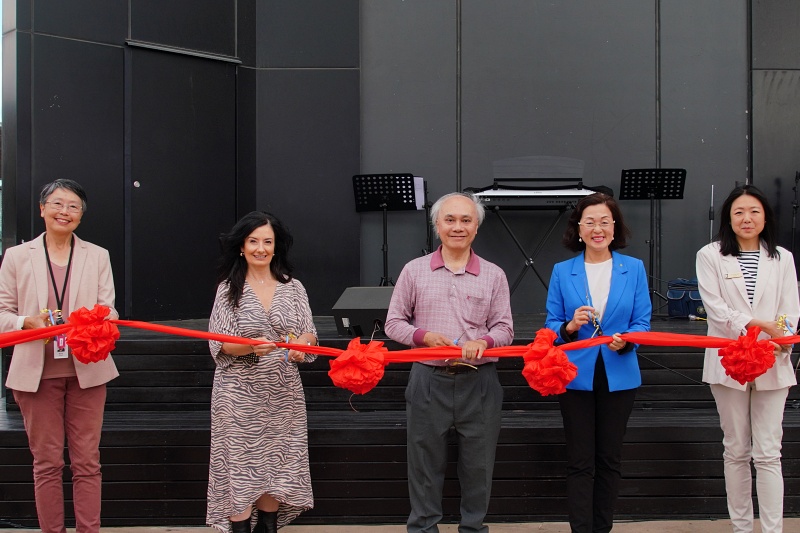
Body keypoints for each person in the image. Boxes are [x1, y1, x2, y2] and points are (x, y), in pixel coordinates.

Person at [385, 192, 514, 533]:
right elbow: (393, 323)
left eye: (466, 220)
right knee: (424, 466)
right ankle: (423, 528)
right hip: (428, 380)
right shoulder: (414, 271)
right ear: (437, 225)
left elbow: (505, 328)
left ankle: (473, 528)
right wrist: (423, 336)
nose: (458, 227)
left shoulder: (494, 275)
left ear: (476, 227)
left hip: (480, 382)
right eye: (450, 220)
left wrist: (484, 342)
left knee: (478, 467)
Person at [0, 179, 118, 533]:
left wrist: (94, 321)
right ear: (42, 209)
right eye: (57, 204)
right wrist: (27, 322)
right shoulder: (17, 257)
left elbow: (110, 311)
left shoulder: (97, 255)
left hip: (88, 372)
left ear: (81, 215)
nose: (64, 212)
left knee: (87, 462)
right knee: (47, 463)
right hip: (35, 376)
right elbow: (2, 314)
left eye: (73, 206)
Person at [544, 192, 651, 533]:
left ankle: (602, 528)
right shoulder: (563, 271)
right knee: (580, 460)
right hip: (575, 375)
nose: (597, 229)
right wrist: (569, 327)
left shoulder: (634, 268)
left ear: (615, 227)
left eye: (605, 221)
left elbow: (642, 322)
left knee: (609, 459)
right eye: (589, 222)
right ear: (578, 229)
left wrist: (627, 341)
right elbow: (551, 325)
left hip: (619, 373)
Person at [696, 185, 798, 533]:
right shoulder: (710, 255)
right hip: (728, 363)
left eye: (754, 211)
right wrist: (759, 325)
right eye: (738, 212)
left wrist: (779, 340)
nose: (747, 218)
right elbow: (716, 309)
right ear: (728, 218)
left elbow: (789, 311)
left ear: (765, 217)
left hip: (773, 360)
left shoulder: (782, 258)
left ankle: (772, 529)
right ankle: (741, 528)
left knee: (769, 453)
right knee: (736, 450)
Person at [206, 211, 317, 533]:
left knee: (277, 463)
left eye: (267, 242)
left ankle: (268, 526)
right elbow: (220, 344)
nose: (260, 248)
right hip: (238, 395)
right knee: (240, 465)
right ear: (241, 247)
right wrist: (251, 347)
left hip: (283, 393)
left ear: (276, 246)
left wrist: (302, 345)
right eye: (253, 241)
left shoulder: (293, 287)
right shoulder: (228, 289)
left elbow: (309, 333)